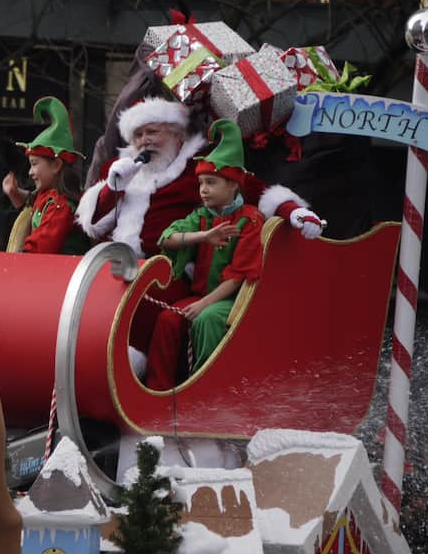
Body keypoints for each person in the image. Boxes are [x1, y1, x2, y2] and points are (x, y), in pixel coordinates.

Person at [74, 95, 322, 374]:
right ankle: (91, 367)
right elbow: (92, 223)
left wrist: (293, 211)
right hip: (119, 265)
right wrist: (114, 186)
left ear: (176, 133)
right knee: (86, 300)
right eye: (138, 134)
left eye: (153, 131)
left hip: (170, 269)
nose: (144, 141)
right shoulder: (121, 170)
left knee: (145, 306)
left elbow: (255, 190)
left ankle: (138, 376)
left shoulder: (198, 168)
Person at [145, 119, 264, 390]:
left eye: (211, 182)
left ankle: (204, 393)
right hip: (200, 295)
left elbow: (239, 277)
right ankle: (159, 392)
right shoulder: (202, 217)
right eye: (200, 183)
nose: (203, 190)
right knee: (167, 319)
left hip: (232, 300)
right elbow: (167, 237)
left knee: (207, 320)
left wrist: (203, 304)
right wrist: (204, 237)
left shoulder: (250, 220)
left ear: (233, 184)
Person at [1, 96, 88, 255]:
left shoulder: (60, 205)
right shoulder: (49, 197)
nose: (30, 172)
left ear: (56, 165)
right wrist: (15, 193)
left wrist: (16, 265)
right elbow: (33, 203)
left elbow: (41, 248)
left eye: (34, 164)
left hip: (63, 277)